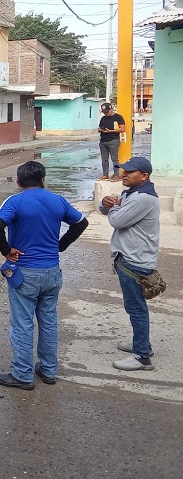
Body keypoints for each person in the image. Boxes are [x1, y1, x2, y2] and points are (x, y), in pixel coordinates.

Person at [0, 161, 89, 390]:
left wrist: (6, 250)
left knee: (22, 324)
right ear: (43, 179)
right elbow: (81, 222)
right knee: (48, 321)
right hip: (52, 272)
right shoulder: (57, 200)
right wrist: (60, 245)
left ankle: (23, 375)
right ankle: (48, 369)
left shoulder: (15, 201)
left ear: (18, 182)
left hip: (25, 273)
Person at [99, 156, 160, 372]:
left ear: (144, 176)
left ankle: (142, 356)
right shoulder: (131, 193)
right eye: (123, 170)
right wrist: (106, 204)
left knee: (136, 308)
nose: (123, 174)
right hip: (130, 257)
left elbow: (117, 220)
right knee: (133, 306)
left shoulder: (142, 198)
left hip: (134, 260)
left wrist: (114, 208)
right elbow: (112, 212)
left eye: (129, 172)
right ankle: (141, 344)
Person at [97, 102, 125, 181]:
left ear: (111, 109)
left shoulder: (118, 117)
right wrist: (100, 130)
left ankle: (116, 174)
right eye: (104, 112)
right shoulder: (103, 118)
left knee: (114, 159)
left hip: (113, 140)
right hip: (103, 141)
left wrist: (111, 131)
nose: (106, 114)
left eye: (107, 112)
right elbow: (99, 128)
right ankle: (105, 174)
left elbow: (122, 129)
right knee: (104, 159)